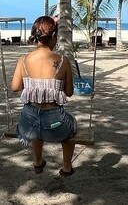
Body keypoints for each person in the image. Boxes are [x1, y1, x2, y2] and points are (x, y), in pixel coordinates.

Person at [10, 15, 77, 176]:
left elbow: (15, 87)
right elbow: (69, 92)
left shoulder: (24, 60)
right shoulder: (63, 60)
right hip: (56, 127)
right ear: (54, 36)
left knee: (36, 125)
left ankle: (37, 162)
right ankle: (66, 167)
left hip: (28, 127)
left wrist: (32, 83)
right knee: (73, 124)